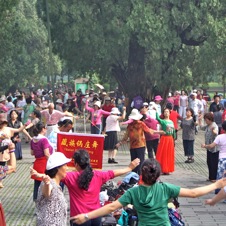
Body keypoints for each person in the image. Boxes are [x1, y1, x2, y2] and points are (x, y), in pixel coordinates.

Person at [71, 158, 226, 226]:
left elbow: (111, 207)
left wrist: (87, 215)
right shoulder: (165, 189)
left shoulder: (134, 193)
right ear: (157, 175)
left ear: (141, 176)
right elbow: (194, 193)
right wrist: (216, 185)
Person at [60, 149, 140, 226]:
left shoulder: (70, 177)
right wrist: (129, 168)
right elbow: (113, 173)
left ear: (76, 164)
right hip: (96, 216)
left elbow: (54, 174)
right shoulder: (98, 175)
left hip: (79, 218)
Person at [30, 152, 71, 226]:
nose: (67, 168)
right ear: (57, 168)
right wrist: (47, 184)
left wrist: (40, 175)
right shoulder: (49, 183)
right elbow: (47, 192)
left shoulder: (54, 183)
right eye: (65, 165)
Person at [116, 109, 154, 174]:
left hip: (135, 145)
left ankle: (136, 175)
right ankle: (138, 176)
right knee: (139, 162)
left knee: (135, 162)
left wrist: (120, 143)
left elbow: (126, 136)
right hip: (139, 145)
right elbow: (149, 131)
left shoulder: (133, 125)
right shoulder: (137, 124)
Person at [30, 122, 53, 201]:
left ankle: (36, 201)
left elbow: (32, 153)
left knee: (37, 184)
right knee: (45, 183)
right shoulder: (43, 140)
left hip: (37, 163)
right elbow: (47, 154)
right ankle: (44, 201)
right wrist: (52, 161)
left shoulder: (33, 140)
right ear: (43, 129)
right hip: (44, 163)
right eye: (45, 128)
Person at [201, 121, 226, 185]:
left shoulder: (220, 137)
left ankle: (219, 189)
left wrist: (205, 146)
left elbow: (211, 146)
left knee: (221, 176)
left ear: (223, 129)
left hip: (222, 159)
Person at [155, 108, 175, 175]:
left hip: (170, 139)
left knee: (169, 154)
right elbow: (158, 118)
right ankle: (161, 168)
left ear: (169, 113)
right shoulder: (163, 121)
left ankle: (167, 169)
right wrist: (157, 111)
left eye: (167, 112)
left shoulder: (171, 122)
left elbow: (173, 131)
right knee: (163, 153)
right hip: (164, 138)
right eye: (165, 112)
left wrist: (174, 138)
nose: (166, 113)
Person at [200, 113, 219, 182]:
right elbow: (201, 127)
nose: (206, 121)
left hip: (214, 148)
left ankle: (214, 177)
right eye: (205, 120)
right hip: (208, 147)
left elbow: (216, 133)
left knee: (214, 163)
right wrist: (199, 120)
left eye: (206, 120)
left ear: (210, 119)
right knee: (209, 162)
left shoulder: (214, 125)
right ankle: (211, 176)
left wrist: (213, 131)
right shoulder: (208, 126)